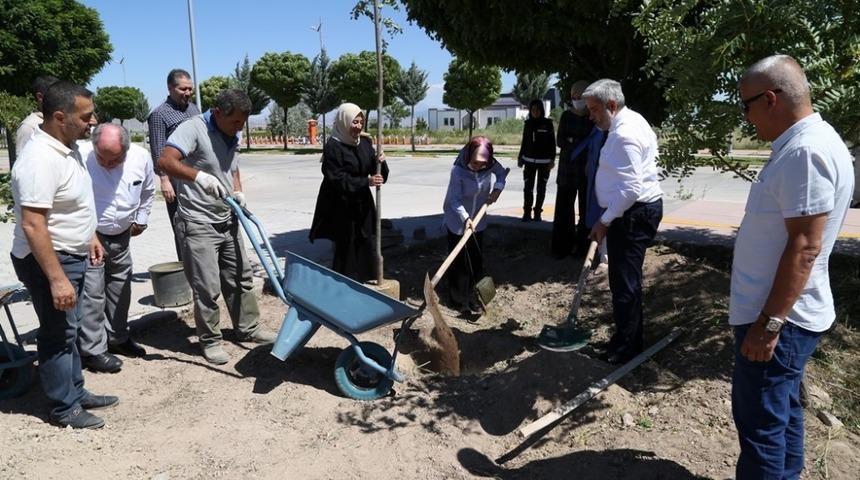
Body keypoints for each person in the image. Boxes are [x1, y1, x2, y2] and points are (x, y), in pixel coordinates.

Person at [730, 55, 854, 480]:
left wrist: (768, 324)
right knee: (782, 413)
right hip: (781, 317)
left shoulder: (805, 151)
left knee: (761, 427)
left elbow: (805, 247)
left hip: (780, 321)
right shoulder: (807, 142)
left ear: (770, 99)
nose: (746, 118)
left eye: (745, 106)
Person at [10, 81, 116, 429]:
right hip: (48, 260)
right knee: (57, 334)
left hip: (70, 253)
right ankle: (62, 407)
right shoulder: (39, 159)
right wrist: (56, 279)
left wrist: (91, 235)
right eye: (86, 116)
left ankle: (76, 390)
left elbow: (72, 204)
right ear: (60, 116)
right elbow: (34, 225)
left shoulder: (65, 148)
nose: (92, 121)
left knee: (68, 330)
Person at [157, 89, 275, 365]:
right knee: (207, 288)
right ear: (218, 113)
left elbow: (232, 167)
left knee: (241, 279)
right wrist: (198, 177)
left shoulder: (234, 131)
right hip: (197, 222)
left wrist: (238, 191)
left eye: (243, 122)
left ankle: (248, 328)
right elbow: (165, 161)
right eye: (235, 122)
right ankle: (210, 340)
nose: (240, 127)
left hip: (227, 218)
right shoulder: (192, 128)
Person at [583, 79, 663, 365]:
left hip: (631, 215)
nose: (590, 116)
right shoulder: (630, 121)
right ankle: (624, 338)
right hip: (629, 212)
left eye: (594, 110)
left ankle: (628, 349)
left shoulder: (624, 134)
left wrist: (604, 221)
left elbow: (630, 189)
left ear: (612, 106)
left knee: (624, 284)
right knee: (623, 282)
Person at [77, 124, 155, 373]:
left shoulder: (141, 156)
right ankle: (93, 351)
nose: (109, 164)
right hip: (90, 236)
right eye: (103, 159)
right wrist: (89, 233)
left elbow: (147, 190)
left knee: (120, 288)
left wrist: (141, 219)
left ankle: (117, 338)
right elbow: (70, 200)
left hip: (122, 234)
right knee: (92, 294)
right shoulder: (80, 155)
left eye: (116, 159)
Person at [309, 103, 389, 282]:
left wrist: (380, 162)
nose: (359, 126)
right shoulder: (333, 147)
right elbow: (336, 179)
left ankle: (368, 281)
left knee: (368, 241)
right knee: (347, 245)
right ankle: (344, 285)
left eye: (361, 122)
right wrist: (365, 182)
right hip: (342, 205)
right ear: (344, 121)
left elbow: (379, 174)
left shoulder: (365, 143)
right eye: (355, 122)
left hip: (363, 204)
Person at [442, 136, 508, 315]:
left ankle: (475, 296)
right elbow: (454, 200)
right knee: (460, 262)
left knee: (476, 259)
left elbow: (502, 174)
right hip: (458, 220)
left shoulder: (489, 164)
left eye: (482, 164)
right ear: (469, 156)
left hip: (479, 220)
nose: (479, 167)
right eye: (475, 163)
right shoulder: (458, 171)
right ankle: (458, 300)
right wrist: (465, 218)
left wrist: (498, 189)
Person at [147, 68, 200, 261]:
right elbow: (158, 151)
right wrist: (164, 181)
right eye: (182, 89)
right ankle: (186, 266)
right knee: (182, 225)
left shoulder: (194, 109)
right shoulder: (159, 115)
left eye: (190, 89)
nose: (187, 93)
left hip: (196, 176)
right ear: (170, 88)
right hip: (176, 180)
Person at [553, 80, 594, 256]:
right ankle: (562, 248)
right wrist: (575, 143)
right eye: (574, 97)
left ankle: (583, 249)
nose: (577, 100)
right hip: (567, 171)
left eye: (581, 97)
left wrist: (572, 141)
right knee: (564, 211)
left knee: (586, 211)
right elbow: (561, 141)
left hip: (586, 171)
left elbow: (594, 143)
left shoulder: (592, 117)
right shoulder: (566, 116)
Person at [517, 99, 556, 222]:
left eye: (538, 110)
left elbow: (552, 144)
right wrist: (520, 157)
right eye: (533, 110)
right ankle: (527, 213)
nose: (535, 112)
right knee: (528, 188)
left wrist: (552, 160)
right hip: (528, 161)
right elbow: (524, 142)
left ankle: (537, 213)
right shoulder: (527, 124)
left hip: (544, 163)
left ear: (542, 110)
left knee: (541, 189)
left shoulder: (548, 123)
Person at [15, 75, 58, 156]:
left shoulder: (60, 121)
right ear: (40, 96)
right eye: (55, 95)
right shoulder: (29, 126)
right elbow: (23, 162)